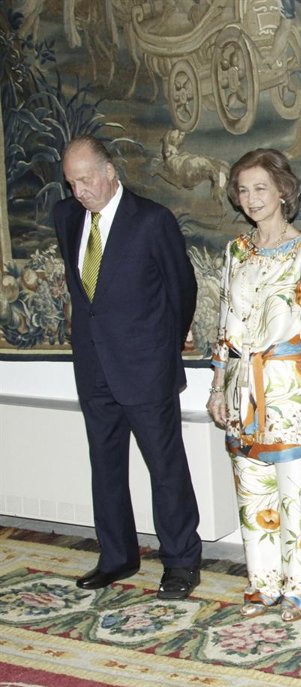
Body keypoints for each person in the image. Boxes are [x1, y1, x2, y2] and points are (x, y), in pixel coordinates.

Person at [52, 135, 203, 599]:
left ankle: (181, 562)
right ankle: (117, 555)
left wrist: (162, 349)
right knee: (106, 466)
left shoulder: (152, 220)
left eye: (85, 180)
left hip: (146, 368)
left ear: (110, 171)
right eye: (71, 183)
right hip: (93, 366)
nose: (79, 191)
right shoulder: (66, 217)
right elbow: (86, 296)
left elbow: (183, 290)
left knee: (166, 468)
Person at [206, 148, 301, 623]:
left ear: (283, 191)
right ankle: (263, 582)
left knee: (293, 491)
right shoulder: (236, 251)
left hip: (288, 388)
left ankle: (299, 589)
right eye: (243, 190)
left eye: (260, 188)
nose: (251, 198)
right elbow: (226, 321)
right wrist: (217, 386)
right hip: (241, 386)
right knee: (251, 488)